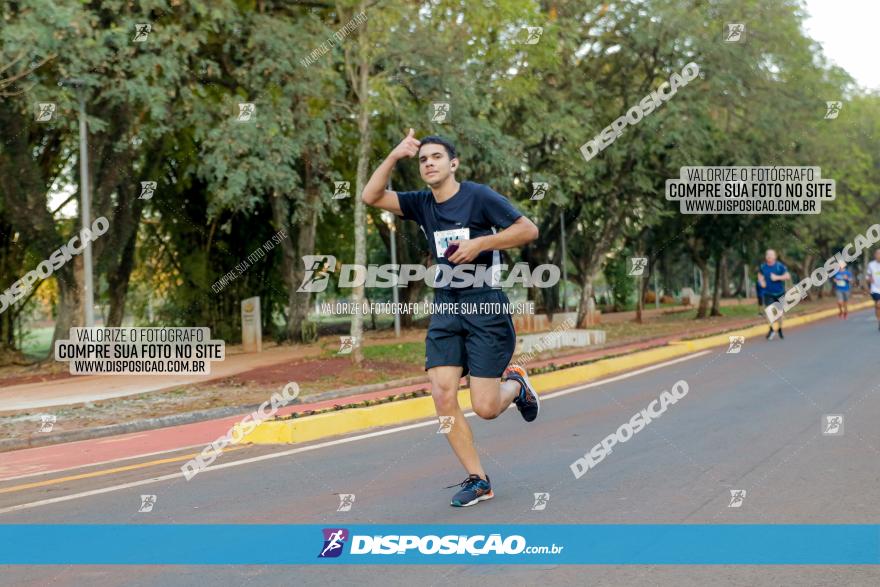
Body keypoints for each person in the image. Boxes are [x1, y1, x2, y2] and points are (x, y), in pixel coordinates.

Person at [362, 129, 541, 507]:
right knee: (442, 394)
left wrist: (481, 242)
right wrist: (395, 155)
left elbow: (528, 229)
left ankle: (517, 385)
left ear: (453, 163)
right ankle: (478, 479)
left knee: (486, 408)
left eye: (436, 157)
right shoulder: (421, 203)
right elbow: (371, 196)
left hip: (484, 305)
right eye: (423, 159)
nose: (428, 163)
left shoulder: (478, 196)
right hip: (446, 307)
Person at [757, 249, 790, 340]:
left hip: (780, 292)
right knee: (768, 312)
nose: (769, 256)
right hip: (768, 293)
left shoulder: (780, 266)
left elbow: (787, 276)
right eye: (767, 255)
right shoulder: (763, 267)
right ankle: (771, 329)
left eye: (771, 255)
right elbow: (759, 275)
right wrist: (761, 281)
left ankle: (779, 329)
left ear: (775, 256)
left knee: (780, 314)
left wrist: (777, 277)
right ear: (766, 257)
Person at [867, 249, 880, 330]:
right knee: (878, 305)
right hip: (875, 289)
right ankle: (879, 321)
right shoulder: (871, 264)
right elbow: (867, 277)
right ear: (875, 255)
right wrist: (869, 279)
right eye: (878, 254)